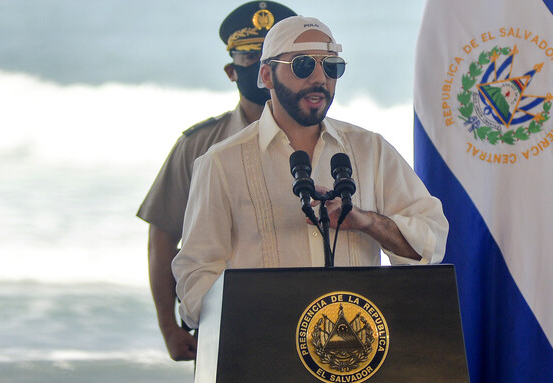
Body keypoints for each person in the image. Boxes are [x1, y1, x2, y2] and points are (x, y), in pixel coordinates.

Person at [172, 15, 449, 330]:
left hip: (358, 358)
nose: (320, 78)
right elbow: (194, 277)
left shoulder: (371, 150)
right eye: (303, 65)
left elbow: (431, 244)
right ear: (267, 75)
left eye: (331, 67)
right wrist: (256, 321)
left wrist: (367, 222)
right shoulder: (221, 163)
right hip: (265, 357)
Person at [136, 1, 296, 361]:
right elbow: (162, 234)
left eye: (272, 56)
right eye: (250, 56)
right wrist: (168, 327)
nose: (261, 67)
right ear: (230, 70)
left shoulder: (330, 142)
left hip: (306, 315)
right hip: (225, 323)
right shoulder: (199, 146)